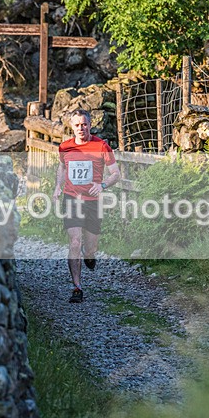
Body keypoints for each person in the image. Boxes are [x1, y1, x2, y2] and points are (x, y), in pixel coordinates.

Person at [52, 109, 120, 303]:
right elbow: (62, 167)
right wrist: (58, 186)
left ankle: (89, 255)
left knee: (90, 247)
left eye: (84, 124)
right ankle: (76, 287)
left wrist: (103, 185)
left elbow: (115, 173)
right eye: (77, 125)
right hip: (72, 198)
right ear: (72, 127)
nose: (81, 128)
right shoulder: (65, 147)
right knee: (74, 241)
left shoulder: (101, 146)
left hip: (93, 202)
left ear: (90, 125)